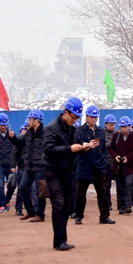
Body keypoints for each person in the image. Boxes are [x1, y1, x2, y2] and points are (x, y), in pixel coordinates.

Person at [42, 97, 87, 251]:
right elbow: (48, 149)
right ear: (66, 112)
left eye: (77, 118)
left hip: (69, 171)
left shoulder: (73, 129)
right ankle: (59, 241)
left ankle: (63, 239)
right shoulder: (51, 128)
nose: (75, 121)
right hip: (53, 171)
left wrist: (83, 147)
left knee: (68, 206)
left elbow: (75, 145)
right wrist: (70, 149)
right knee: (59, 205)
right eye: (74, 117)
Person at [74, 105, 115, 225]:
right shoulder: (80, 131)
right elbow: (76, 146)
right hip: (84, 165)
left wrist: (102, 160)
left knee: (102, 192)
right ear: (86, 117)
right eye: (91, 117)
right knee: (81, 193)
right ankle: (79, 216)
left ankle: (104, 216)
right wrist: (85, 147)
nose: (93, 119)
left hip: (98, 166)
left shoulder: (100, 131)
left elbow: (104, 149)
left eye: (95, 117)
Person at [9, 110, 48, 223]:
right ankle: (30, 210)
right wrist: (12, 137)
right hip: (29, 167)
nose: (29, 121)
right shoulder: (28, 133)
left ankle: (40, 215)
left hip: (40, 167)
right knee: (22, 187)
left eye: (31, 119)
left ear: (37, 121)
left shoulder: (45, 134)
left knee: (40, 191)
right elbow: (19, 143)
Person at [109, 116, 133, 215]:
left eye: (125, 126)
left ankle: (128, 205)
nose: (123, 129)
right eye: (122, 127)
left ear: (129, 126)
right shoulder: (116, 136)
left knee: (128, 184)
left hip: (130, 166)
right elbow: (111, 149)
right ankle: (121, 206)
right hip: (118, 166)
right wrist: (116, 157)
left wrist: (128, 157)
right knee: (120, 186)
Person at [6, 124, 27, 216]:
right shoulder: (19, 141)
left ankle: (35, 209)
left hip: (33, 167)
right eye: (23, 129)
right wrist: (13, 166)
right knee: (21, 189)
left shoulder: (34, 139)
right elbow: (14, 154)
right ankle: (19, 208)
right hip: (22, 168)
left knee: (35, 190)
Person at [103, 114, 119, 211]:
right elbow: (103, 146)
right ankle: (108, 203)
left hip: (117, 162)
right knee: (106, 185)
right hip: (106, 162)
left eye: (113, 124)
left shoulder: (118, 133)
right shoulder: (102, 133)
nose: (112, 126)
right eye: (110, 124)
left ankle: (121, 204)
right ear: (105, 124)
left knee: (120, 184)